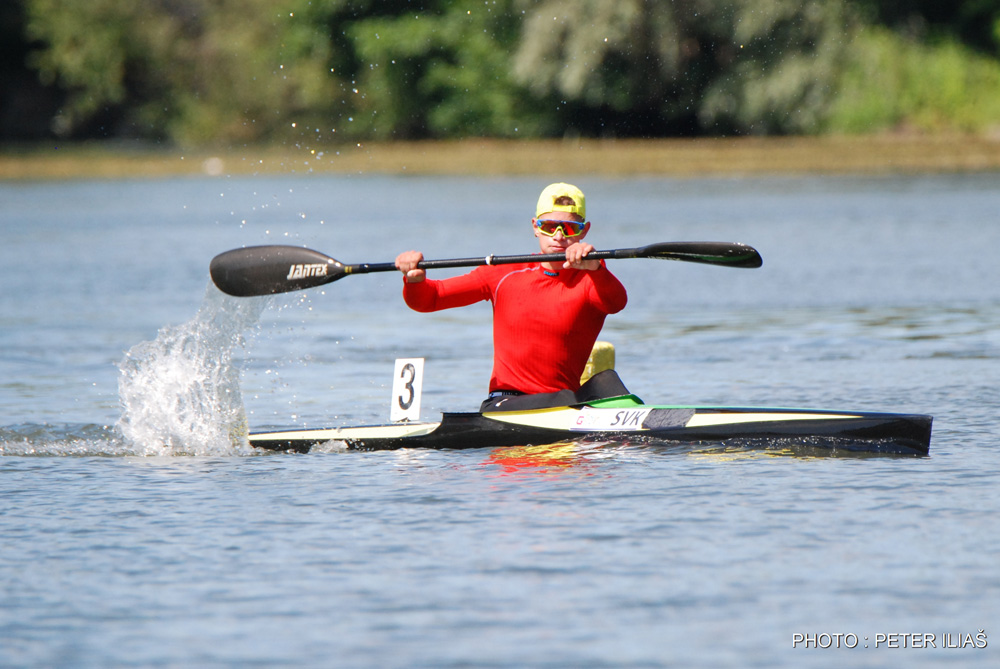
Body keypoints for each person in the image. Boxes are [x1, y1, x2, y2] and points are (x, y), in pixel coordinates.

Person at [395, 183, 629, 411]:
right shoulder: (504, 272)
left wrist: (597, 269)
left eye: (568, 228)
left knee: (607, 381)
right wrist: (414, 280)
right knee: (567, 399)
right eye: (549, 226)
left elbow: (616, 303)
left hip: (563, 404)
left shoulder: (592, 276)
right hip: (506, 403)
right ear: (535, 227)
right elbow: (431, 298)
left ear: (584, 231)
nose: (558, 236)